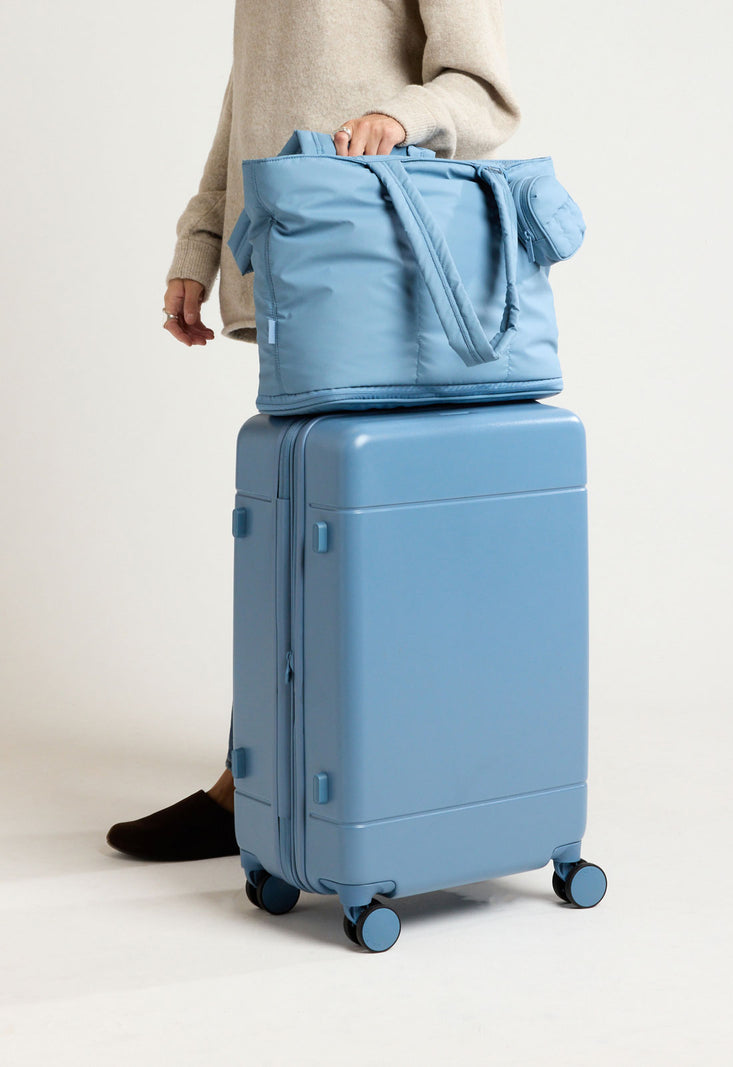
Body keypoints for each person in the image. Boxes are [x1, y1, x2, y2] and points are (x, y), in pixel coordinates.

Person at [107, 0, 521, 861]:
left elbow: (486, 97)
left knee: (347, 536)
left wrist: (397, 118)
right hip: (296, 256)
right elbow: (245, 99)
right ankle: (271, 779)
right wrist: (201, 240)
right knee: (299, 526)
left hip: (378, 260)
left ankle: (289, 785)